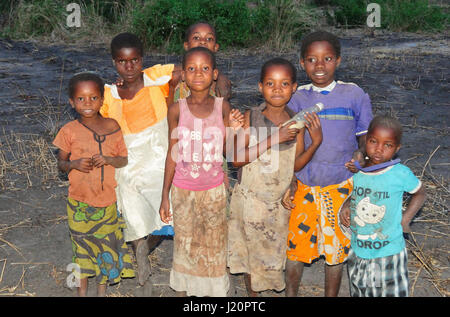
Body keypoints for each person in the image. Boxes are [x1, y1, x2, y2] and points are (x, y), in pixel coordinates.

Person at [282, 30, 373, 297]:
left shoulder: (354, 95)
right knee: (296, 248)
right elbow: (290, 146)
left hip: (341, 186)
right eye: (312, 59)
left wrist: (360, 157)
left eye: (327, 58)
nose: (319, 66)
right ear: (302, 63)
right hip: (305, 185)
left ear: (339, 60)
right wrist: (290, 183)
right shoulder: (296, 98)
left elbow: (365, 141)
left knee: (337, 250)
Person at [227, 58, 322, 296]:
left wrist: (315, 144)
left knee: (272, 253)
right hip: (250, 201)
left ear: (294, 88)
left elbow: (295, 164)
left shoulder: (297, 122)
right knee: (249, 253)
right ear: (260, 87)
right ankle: (252, 297)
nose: (277, 89)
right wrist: (274, 138)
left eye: (284, 84)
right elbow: (236, 159)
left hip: (277, 204)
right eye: (270, 83)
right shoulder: (251, 118)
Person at [159, 46, 243, 297]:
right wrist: (165, 194)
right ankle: (185, 294)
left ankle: (213, 293)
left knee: (214, 245)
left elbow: (231, 153)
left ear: (215, 74)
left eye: (205, 68)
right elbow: (172, 154)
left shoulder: (223, 108)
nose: (198, 73)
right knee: (185, 246)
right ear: (183, 74)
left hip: (215, 192)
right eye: (192, 68)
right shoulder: (176, 110)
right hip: (183, 191)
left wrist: (236, 129)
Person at [100, 32, 175, 286]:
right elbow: (98, 123)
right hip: (128, 158)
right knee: (129, 201)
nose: (129, 66)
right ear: (113, 62)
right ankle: (139, 247)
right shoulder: (109, 95)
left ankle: (146, 244)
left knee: (166, 205)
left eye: (134, 60)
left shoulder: (157, 77)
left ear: (143, 59)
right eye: (122, 61)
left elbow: (191, 69)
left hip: (159, 153)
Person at [53, 72, 134, 296]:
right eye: (81, 99)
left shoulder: (112, 126)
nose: (87, 103)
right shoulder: (68, 131)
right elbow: (61, 163)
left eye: (93, 98)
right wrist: (74, 164)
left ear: (102, 100)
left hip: (107, 202)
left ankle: (102, 292)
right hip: (79, 203)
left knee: (105, 249)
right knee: (81, 249)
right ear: (72, 102)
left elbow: (123, 159)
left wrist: (108, 159)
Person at [340, 115, 426, 297]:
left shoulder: (399, 173)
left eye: (387, 145)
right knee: (360, 290)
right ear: (366, 140)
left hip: (388, 252)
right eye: (373, 141)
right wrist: (347, 204)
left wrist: (406, 219)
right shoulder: (358, 171)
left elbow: (420, 192)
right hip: (358, 249)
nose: (379, 149)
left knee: (388, 292)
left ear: (397, 148)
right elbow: (355, 192)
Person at [171, 21, 232, 103]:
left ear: (215, 47)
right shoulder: (176, 74)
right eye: (196, 38)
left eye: (209, 39)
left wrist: (221, 79)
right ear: (186, 46)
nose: (203, 41)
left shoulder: (218, 79)